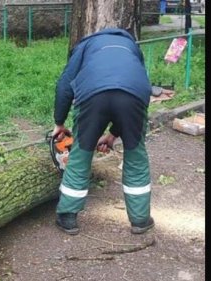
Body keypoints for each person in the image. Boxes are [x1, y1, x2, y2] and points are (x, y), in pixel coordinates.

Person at [52, 27, 155, 235]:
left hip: (92, 95)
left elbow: (65, 85)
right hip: (135, 96)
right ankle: (140, 219)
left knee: (81, 154)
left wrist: (59, 122)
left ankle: (68, 217)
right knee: (136, 155)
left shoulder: (85, 46)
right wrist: (114, 134)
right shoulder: (132, 47)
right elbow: (127, 87)